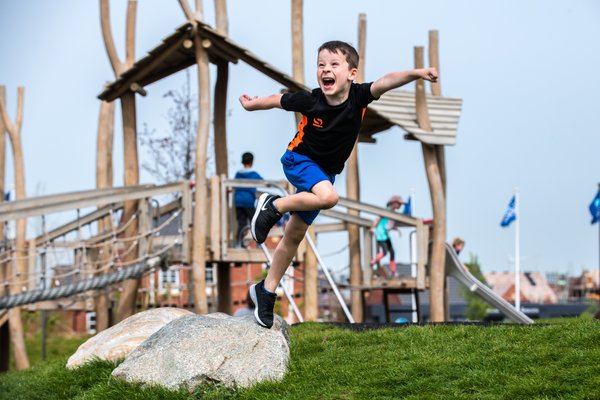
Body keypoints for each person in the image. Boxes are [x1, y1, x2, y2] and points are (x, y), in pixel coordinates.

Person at [239, 40, 438, 328]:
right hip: (298, 160)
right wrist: (251, 105)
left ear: (352, 73)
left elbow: (387, 80)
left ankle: (266, 291)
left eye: (333, 65)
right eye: (321, 65)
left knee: (294, 237)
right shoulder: (312, 100)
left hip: (324, 174)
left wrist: (418, 72)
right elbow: (277, 99)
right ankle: (274, 205)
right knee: (329, 197)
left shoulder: (360, 97)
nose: (325, 70)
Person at [233, 152, 263, 247]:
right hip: (249, 202)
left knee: (241, 224)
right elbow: (265, 183)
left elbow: (233, 185)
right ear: (252, 161)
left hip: (238, 202)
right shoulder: (254, 174)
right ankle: (259, 244)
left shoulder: (238, 174)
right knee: (254, 222)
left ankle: (238, 244)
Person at [370, 195, 405, 277]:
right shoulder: (388, 211)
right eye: (399, 204)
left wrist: (396, 229)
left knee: (392, 252)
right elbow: (378, 219)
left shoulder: (393, 212)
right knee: (385, 251)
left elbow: (389, 225)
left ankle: (393, 271)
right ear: (393, 203)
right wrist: (373, 228)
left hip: (385, 234)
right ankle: (373, 261)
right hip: (381, 234)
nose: (400, 206)